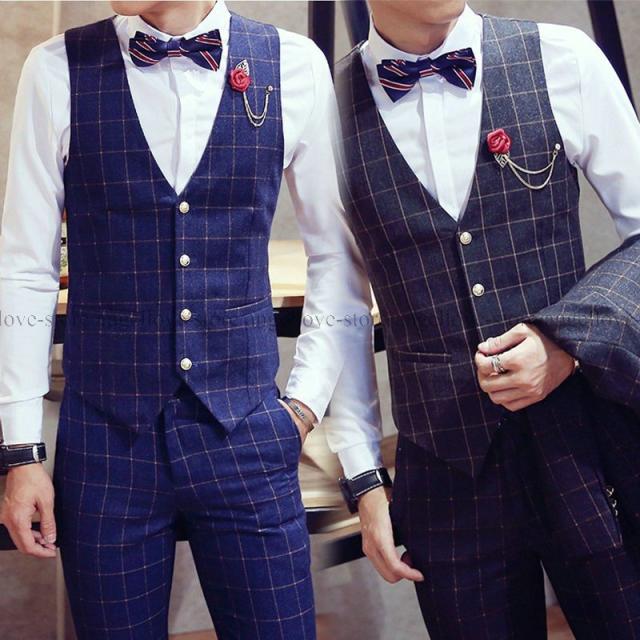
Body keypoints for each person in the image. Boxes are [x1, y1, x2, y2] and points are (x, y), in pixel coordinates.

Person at [0, 1, 376, 638]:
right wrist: (21, 449)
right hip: (105, 446)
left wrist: (304, 406)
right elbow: (25, 268)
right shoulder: (55, 67)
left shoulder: (293, 64)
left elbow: (337, 256)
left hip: (248, 436)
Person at [332, 1, 640, 638]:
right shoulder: (322, 106)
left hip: (583, 448)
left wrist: (567, 342)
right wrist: (364, 480)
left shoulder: (562, 58)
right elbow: (340, 307)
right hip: (444, 473)